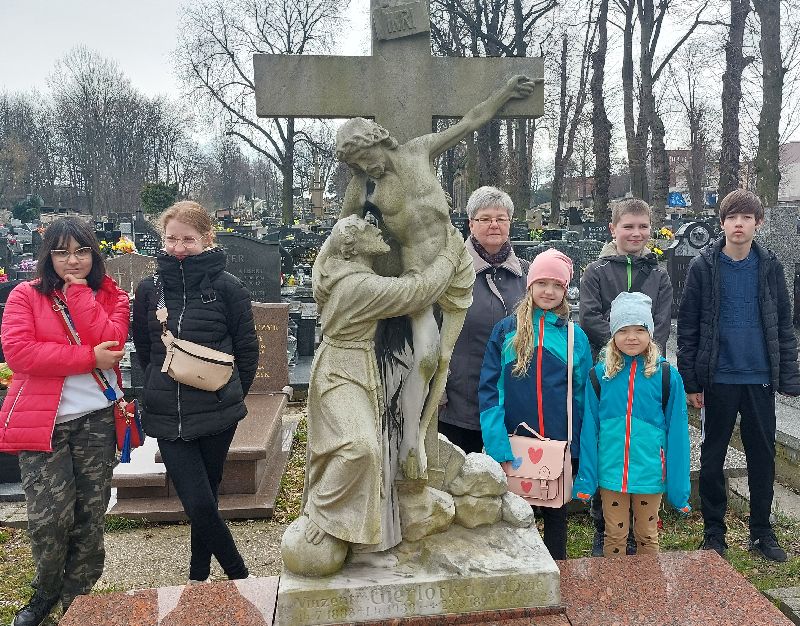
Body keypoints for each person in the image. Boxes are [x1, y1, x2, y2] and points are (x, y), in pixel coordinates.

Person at [336, 75, 536, 479]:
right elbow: (344, 235)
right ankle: (412, 441)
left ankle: (421, 443)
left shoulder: (419, 151)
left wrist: (503, 92)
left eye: (365, 157)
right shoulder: (365, 188)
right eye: (356, 164)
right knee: (427, 356)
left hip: (456, 262)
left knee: (445, 355)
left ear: (377, 140)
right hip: (420, 276)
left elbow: (471, 121)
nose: (365, 167)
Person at [284, 215, 464, 575]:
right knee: (359, 447)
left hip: (359, 365)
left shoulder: (331, 268)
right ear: (353, 247)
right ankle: (322, 514)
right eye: (367, 228)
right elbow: (419, 291)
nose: (376, 227)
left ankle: (363, 542)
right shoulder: (358, 286)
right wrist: (450, 253)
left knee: (374, 452)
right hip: (341, 371)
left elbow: (329, 252)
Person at [0, 217, 129, 626]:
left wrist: (78, 294)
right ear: (48, 256)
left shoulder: (112, 296)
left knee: (90, 516)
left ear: (94, 253)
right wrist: (89, 358)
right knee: (50, 518)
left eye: (81, 251)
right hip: (44, 423)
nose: (72, 261)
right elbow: (20, 354)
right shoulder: (25, 296)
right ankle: (46, 592)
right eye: (61, 252)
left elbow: (110, 341)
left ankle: (78, 601)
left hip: (97, 421)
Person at [132, 201, 258, 582]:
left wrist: (229, 396)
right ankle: (240, 575)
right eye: (171, 239)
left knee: (208, 496)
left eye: (188, 239)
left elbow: (246, 351)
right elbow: (144, 350)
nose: (179, 247)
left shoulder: (228, 288)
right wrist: (159, 387)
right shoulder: (149, 289)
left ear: (206, 238)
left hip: (217, 413)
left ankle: (198, 575)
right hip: (167, 415)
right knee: (199, 502)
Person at [677, 189, 800, 562]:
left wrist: (789, 376)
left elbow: (782, 323)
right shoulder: (703, 266)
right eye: (732, 217)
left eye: (746, 218)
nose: (739, 224)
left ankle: (762, 532)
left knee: (762, 455)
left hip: (759, 376)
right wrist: (691, 381)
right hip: (718, 377)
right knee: (712, 456)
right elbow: (688, 327)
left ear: (757, 223)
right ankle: (714, 533)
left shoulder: (770, 267)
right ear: (722, 223)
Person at [479, 249, 592, 560]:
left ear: (565, 290)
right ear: (530, 285)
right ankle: (520, 573)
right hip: (514, 446)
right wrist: (497, 444)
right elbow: (490, 390)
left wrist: (578, 448)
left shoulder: (574, 337)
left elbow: (582, 396)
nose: (549, 291)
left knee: (556, 516)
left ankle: (558, 570)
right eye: (542, 283)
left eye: (557, 285)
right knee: (516, 519)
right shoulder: (506, 331)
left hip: (559, 447)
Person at [579, 198, 673, 555]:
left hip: (647, 371)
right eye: (628, 226)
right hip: (609, 370)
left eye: (642, 226)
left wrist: (644, 352)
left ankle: (641, 530)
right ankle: (604, 527)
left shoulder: (659, 275)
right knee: (609, 445)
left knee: (641, 444)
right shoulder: (597, 272)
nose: (636, 233)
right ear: (613, 229)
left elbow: (661, 323)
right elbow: (590, 316)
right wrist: (619, 348)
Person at [574, 292, 691, 557]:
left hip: (650, 473)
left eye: (639, 329)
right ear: (613, 334)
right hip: (611, 473)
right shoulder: (600, 376)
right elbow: (589, 431)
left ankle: (649, 584)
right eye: (623, 330)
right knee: (614, 535)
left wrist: (679, 490)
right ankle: (615, 583)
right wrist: (586, 481)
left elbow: (678, 436)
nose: (631, 337)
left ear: (650, 332)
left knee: (647, 536)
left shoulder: (666, 376)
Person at [438, 186, 530, 454]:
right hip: (459, 399)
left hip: (512, 399)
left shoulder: (526, 274)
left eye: (501, 218)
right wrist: (438, 386)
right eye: (485, 218)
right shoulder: (450, 272)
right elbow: (431, 328)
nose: (494, 225)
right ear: (471, 224)